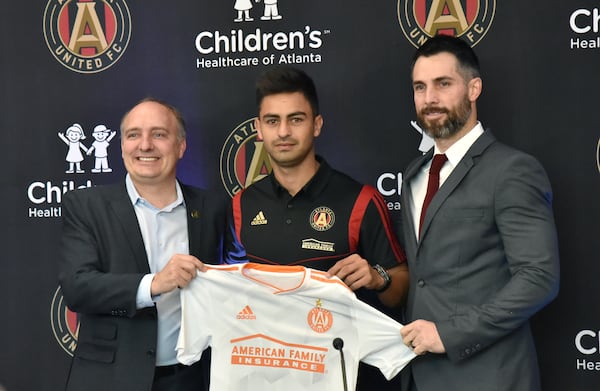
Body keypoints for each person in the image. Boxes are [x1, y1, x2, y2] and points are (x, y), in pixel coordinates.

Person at [224, 65, 409, 387]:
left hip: (344, 376)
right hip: (265, 378)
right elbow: (228, 295)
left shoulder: (361, 200)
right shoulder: (242, 204)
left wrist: (377, 278)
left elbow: (401, 287)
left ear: (317, 125)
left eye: (296, 119)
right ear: (258, 128)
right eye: (272, 121)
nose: (283, 132)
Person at [399, 35, 560, 391]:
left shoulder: (513, 170)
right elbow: (425, 276)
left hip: (489, 377)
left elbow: (538, 277)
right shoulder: (414, 174)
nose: (430, 99)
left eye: (443, 84)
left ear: (474, 89)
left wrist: (449, 334)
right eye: (420, 87)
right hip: (419, 376)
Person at [58, 98, 226, 391]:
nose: (145, 145)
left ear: (181, 146)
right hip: (111, 379)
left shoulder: (212, 207)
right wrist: (154, 284)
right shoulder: (85, 205)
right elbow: (77, 287)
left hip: (191, 379)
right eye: (133, 135)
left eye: (159, 134)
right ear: (122, 146)